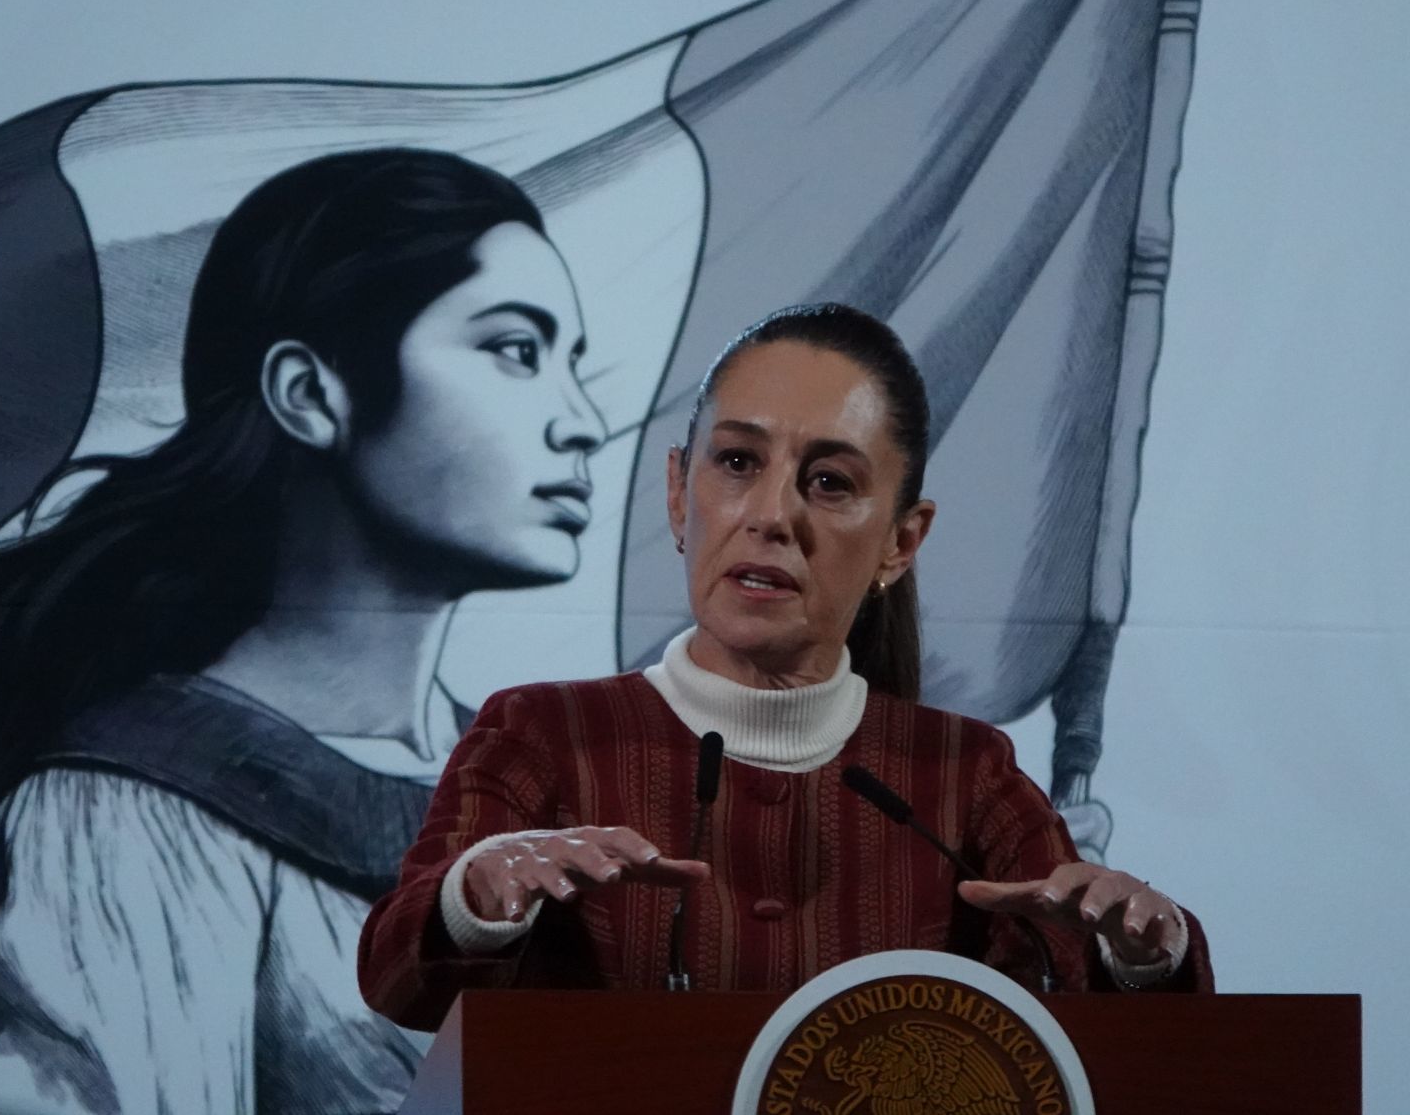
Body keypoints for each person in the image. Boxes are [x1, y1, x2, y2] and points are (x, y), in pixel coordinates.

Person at [0, 148, 607, 1113]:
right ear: (308, 393)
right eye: (515, 349)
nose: (582, 421)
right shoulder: (123, 818)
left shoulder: (542, 791)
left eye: (574, 363)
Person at [358, 303, 1213, 1029]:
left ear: (900, 541)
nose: (770, 515)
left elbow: (1091, 1025)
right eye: (736, 463)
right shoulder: (544, 735)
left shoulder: (964, 776)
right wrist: (475, 899)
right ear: (676, 493)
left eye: (830, 483)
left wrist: (1142, 955)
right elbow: (397, 979)